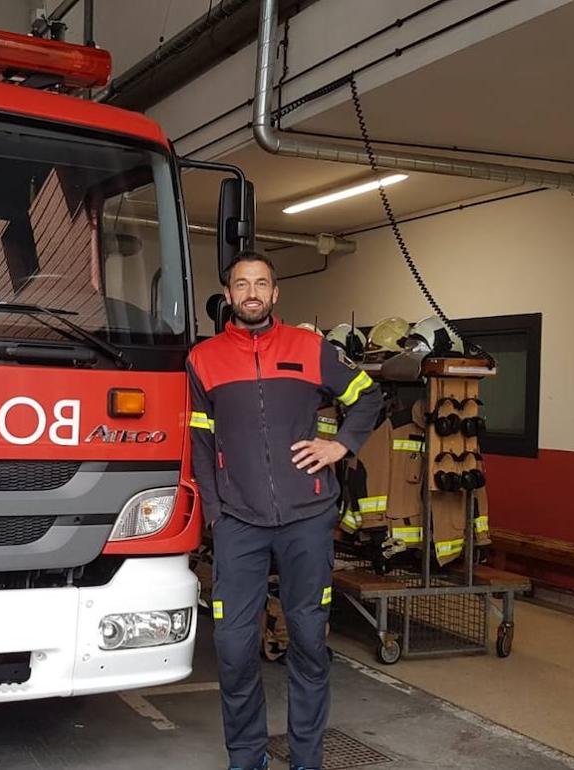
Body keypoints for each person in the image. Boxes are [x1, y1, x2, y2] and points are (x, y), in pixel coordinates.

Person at [186, 252, 382, 770]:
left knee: (309, 643)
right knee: (232, 648)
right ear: (228, 295)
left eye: (262, 284)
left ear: (276, 294)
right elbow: (200, 441)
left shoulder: (311, 349)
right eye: (241, 284)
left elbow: (368, 396)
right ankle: (247, 758)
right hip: (238, 522)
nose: (252, 292)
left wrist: (339, 445)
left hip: (307, 518)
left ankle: (305, 759)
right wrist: (214, 511)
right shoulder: (202, 359)